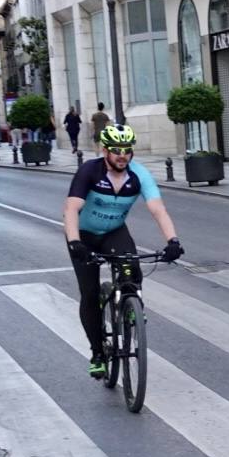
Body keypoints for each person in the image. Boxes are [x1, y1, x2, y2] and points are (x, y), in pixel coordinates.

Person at [63, 124, 184, 378]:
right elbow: (72, 209)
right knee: (89, 293)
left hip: (114, 232)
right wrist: (75, 242)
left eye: (127, 150)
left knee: (132, 268)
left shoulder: (138, 175)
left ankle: (131, 308)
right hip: (84, 236)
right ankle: (97, 352)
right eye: (116, 150)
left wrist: (173, 240)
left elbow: (157, 209)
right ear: (104, 150)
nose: (122, 155)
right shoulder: (89, 172)